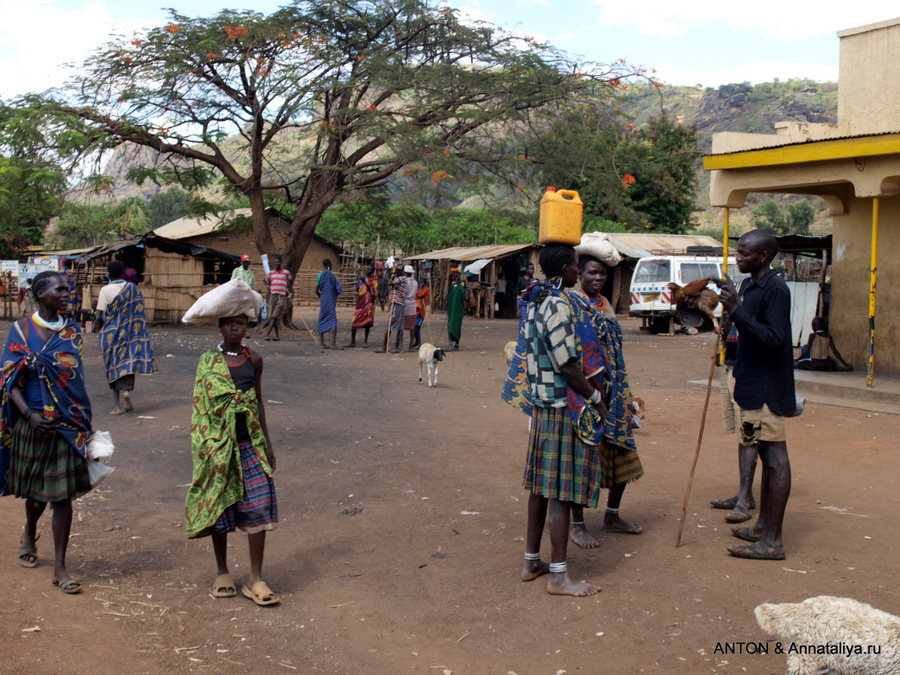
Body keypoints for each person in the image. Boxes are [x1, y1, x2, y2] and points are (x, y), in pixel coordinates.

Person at [519, 244, 605, 597]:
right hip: (559, 407)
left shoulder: (536, 299)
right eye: (575, 266)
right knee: (559, 491)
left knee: (540, 488)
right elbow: (567, 363)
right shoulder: (556, 303)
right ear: (567, 270)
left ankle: (531, 562)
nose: (578, 271)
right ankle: (558, 576)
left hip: (541, 405)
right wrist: (595, 397)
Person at [1, 271, 93, 594]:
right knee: (37, 496)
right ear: (41, 294)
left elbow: (75, 380)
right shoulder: (21, 331)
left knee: (62, 497)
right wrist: (28, 413)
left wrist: (80, 421)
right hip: (32, 423)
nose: (68, 293)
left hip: (64, 425)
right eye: (61, 289)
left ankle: (60, 567)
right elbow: (8, 380)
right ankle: (29, 529)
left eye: (68, 289)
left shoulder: (71, 332)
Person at [185, 303, 279, 606]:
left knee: (259, 505)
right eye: (229, 324)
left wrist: (267, 442)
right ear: (220, 327)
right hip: (218, 446)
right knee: (220, 509)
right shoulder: (208, 362)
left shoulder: (255, 360)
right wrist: (205, 448)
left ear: (247, 327)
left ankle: (256, 577)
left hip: (249, 444)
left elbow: (258, 402)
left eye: (240, 323)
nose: (234, 328)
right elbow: (200, 406)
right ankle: (222, 571)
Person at [715, 229, 795, 561]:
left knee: (775, 460)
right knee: (759, 453)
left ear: (763, 256)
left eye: (744, 254)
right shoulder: (749, 286)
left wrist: (738, 311)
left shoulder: (776, 289)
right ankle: (762, 526)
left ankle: (772, 542)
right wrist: (730, 319)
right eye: (738, 252)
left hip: (766, 391)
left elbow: (774, 338)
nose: (738, 258)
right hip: (749, 389)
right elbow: (748, 330)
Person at [568, 252, 644, 548]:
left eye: (602, 274)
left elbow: (612, 347)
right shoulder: (573, 303)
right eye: (592, 273)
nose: (598, 278)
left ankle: (611, 515)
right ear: (579, 275)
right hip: (585, 390)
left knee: (622, 448)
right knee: (583, 458)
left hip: (614, 388)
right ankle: (577, 526)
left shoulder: (605, 305)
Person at [709, 308, 759, 524]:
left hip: (746, 373)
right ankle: (744, 493)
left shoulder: (760, 298)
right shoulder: (737, 300)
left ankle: (745, 499)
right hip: (730, 368)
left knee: (749, 437)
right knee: (741, 436)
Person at [95, 260, 157, 416]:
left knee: (112, 365)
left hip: (112, 333)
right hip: (130, 333)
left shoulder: (105, 290)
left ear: (108, 273)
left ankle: (117, 407)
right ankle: (127, 391)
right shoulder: (133, 288)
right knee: (128, 362)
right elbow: (139, 311)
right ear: (123, 272)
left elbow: (99, 315)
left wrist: (99, 328)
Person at [375, 265, 408, 353]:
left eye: (397, 270)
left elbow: (389, 283)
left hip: (396, 303)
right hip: (399, 303)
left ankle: (384, 347)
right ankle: (399, 347)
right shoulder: (403, 278)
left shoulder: (401, 278)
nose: (396, 272)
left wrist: (393, 275)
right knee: (399, 326)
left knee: (390, 323)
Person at [348, 263, 378, 348]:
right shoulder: (362, 278)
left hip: (369, 304)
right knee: (355, 320)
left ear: (373, 271)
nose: (368, 270)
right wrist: (359, 283)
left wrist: (365, 282)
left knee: (367, 322)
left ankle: (365, 342)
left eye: (370, 269)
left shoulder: (374, 280)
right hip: (360, 303)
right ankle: (352, 341)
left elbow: (374, 291)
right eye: (367, 268)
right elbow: (358, 288)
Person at [316, 259, 343, 349]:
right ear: (329, 265)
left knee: (322, 318)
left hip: (323, 299)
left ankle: (322, 343)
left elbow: (316, 290)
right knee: (333, 321)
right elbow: (336, 287)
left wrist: (323, 296)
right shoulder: (331, 275)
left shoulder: (320, 275)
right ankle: (333, 344)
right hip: (330, 300)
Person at [264, 255, 292, 341]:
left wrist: (288, 288)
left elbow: (290, 281)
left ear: (281, 263)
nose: (276, 264)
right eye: (275, 262)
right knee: (273, 317)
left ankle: (267, 334)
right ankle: (277, 336)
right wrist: (268, 286)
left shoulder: (286, 272)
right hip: (273, 296)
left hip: (282, 296)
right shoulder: (271, 273)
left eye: (278, 262)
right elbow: (265, 280)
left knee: (275, 315)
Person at [446, 269, 466, 351]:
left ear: (458, 275)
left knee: (456, 326)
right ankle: (450, 343)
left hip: (457, 309)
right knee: (450, 325)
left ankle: (457, 343)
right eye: (452, 276)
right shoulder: (452, 284)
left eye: (454, 275)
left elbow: (462, 294)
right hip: (451, 309)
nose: (453, 277)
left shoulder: (462, 283)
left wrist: (457, 284)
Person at [403, 265, 418, 351]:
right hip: (413, 305)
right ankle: (410, 346)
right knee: (412, 327)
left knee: (401, 326)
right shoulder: (415, 282)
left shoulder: (404, 282)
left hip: (405, 304)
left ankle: (399, 344)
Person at [414, 278, 430, 349]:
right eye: (419, 282)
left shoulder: (426, 289)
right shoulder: (417, 289)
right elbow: (415, 296)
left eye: (422, 282)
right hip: (415, 311)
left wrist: (419, 291)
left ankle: (419, 343)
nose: (420, 284)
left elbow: (421, 295)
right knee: (414, 327)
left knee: (417, 326)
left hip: (421, 311)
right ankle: (416, 342)